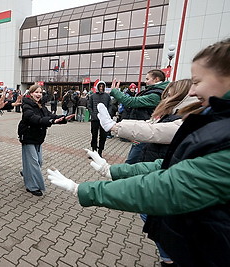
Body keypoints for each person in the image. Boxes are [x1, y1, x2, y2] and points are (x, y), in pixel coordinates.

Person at [47, 38, 230, 267]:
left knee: (151, 212)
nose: (192, 91)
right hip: (197, 240)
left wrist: (82, 189)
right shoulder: (213, 121)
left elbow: (165, 185)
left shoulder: (217, 129)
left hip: (208, 250)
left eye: (198, 81)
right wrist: (111, 170)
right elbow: (168, 166)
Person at [98, 79, 196, 266]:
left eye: (168, 92)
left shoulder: (186, 117)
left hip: (168, 179)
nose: (163, 95)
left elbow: (155, 131)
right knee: (152, 214)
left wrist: (115, 126)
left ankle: (171, 257)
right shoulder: (171, 111)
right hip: (157, 168)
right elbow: (149, 124)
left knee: (155, 215)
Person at [18, 84, 75, 196]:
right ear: (31, 93)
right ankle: (32, 186)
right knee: (34, 162)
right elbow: (32, 118)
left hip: (38, 137)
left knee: (39, 161)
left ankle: (26, 172)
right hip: (28, 137)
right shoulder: (26, 105)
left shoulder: (41, 105)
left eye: (40, 92)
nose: (39, 94)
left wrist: (62, 118)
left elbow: (49, 115)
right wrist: (51, 122)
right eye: (36, 92)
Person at [110, 70, 169, 163]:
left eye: (147, 79)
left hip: (146, 133)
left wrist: (115, 91)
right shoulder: (157, 92)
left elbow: (132, 101)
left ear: (156, 79)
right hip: (144, 131)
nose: (145, 81)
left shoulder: (155, 95)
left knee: (131, 162)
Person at [87, 80, 111, 156]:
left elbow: (110, 106)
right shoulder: (93, 96)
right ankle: (94, 151)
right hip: (95, 119)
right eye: (100, 86)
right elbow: (89, 106)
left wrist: (108, 114)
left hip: (104, 120)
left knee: (103, 136)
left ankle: (100, 151)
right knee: (94, 135)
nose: (101, 88)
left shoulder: (107, 96)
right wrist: (93, 114)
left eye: (102, 86)